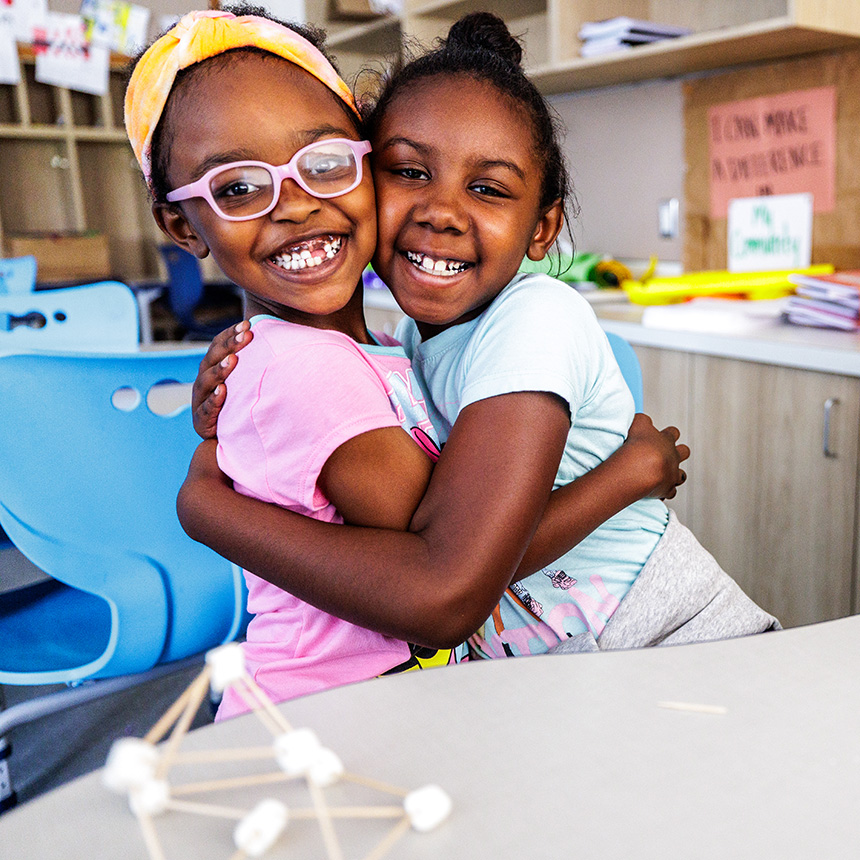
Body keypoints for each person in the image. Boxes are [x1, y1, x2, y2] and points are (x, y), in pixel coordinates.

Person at [126, 7, 690, 718]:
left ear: (357, 163)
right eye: (237, 187)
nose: (296, 205)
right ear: (182, 223)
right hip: (331, 719)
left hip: (422, 696)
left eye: (323, 163)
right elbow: (447, 580)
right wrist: (206, 508)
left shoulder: (398, 347)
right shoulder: (310, 369)